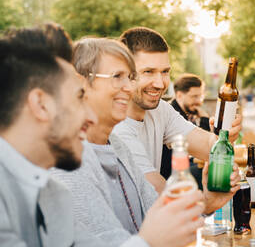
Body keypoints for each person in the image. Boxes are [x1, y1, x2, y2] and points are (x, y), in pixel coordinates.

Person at [0, 26, 185, 247]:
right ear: (40, 105)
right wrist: (150, 241)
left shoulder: (51, 192)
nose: (90, 116)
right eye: (78, 98)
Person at [52, 38, 233, 247]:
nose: (129, 87)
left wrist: (207, 203)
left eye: (130, 77)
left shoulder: (116, 145)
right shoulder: (68, 162)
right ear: (81, 82)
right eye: (117, 77)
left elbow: (157, 213)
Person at [113, 27, 241, 193]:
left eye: (165, 71)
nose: (160, 83)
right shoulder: (116, 127)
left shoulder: (160, 110)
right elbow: (160, 195)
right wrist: (208, 202)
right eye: (148, 72)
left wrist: (225, 137)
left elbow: (209, 146)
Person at [169, 73, 210, 187]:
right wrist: (205, 120)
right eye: (194, 96)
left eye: (201, 96)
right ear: (179, 95)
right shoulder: (173, 115)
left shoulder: (190, 113)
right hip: (172, 174)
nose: (199, 101)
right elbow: (201, 150)